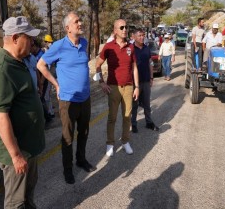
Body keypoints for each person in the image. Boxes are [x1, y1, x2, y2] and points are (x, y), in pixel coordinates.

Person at [0, 16, 45, 208]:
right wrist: (16, 155)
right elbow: (0, 116)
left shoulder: (18, 62)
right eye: (28, 38)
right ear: (15, 38)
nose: (32, 42)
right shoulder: (3, 68)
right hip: (18, 152)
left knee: (27, 195)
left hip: (28, 148)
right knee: (15, 202)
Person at [37, 12, 96, 184]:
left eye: (80, 19)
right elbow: (41, 65)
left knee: (84, 132)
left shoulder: (84, 43)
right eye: (76, 21)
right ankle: (67, 169)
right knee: (68, 136)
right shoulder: (58, 46)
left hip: (85, 98)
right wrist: (56, 84)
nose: (80, 23)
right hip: (68, 100)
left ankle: (81, 160)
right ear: (67, 28)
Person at [95, 19, 139, 157]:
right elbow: (98, 64)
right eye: (122, 27)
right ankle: (110, 143)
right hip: (113, 87)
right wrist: (101, 82)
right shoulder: (108, 47)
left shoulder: (131, 47)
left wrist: (137, 87)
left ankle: (125, 141)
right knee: (112, 117)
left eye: (126, 27)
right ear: (115, 30)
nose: (125, 29)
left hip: (128, 87)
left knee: (127, 117)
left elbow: (134, 68)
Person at [131, 28, 159, 133]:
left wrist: (151, 77)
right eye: (139, 35)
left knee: (147, 103)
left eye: (143, 35)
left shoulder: (147, 48)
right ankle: (133, 124)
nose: (142, 37)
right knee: (134, 104)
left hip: (146, 80)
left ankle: (149, 122)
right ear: (133, 36)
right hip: (135, 83)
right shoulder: (130, 49)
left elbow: (150, 63)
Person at [41, 34, 55, 119]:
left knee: (47, 96)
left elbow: (47, 66)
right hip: (53, 75)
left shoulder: (48, 51)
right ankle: (51, 111)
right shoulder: (52, 49)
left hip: (49, 76)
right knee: (48, 95)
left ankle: (51, 112)